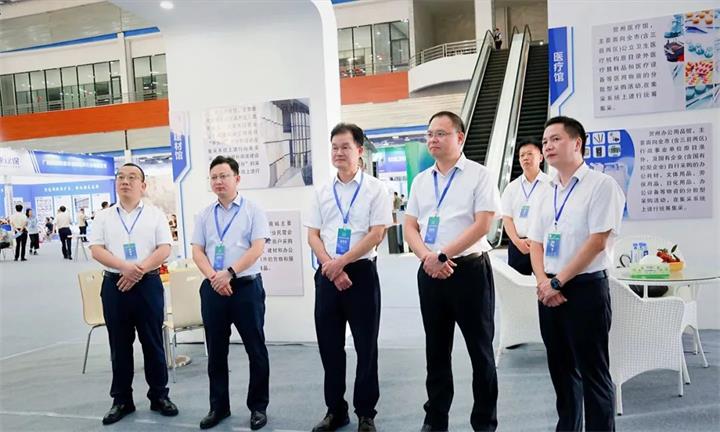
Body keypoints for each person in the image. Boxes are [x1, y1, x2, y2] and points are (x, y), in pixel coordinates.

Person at [404, 111, 502, 432]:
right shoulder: (421, 180)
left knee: (480, 352)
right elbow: (410, 225)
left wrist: (443, 255)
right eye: (430, 134)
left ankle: (484, 423)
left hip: (469, 271)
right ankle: (435, 419)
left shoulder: (479, 175)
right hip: (430, 273)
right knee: (436, 351)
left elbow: (483, 224)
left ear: (459, 138)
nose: (433, 139)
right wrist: (428, 258)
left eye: (441, 134)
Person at [528, 116, 625, 432]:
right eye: (545, 141)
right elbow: (536, 243)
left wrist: (558, 281)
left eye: (555, 139)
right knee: (561, 372)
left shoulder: (601, 185)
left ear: (577, 143)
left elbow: (597, 242)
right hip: (548, 291)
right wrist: (544, 282)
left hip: (585, 289)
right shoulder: (545, 190)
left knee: (593, 373)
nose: (548, 146)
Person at [306, 123, 392, 432]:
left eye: (345, 147)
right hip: (327, 273)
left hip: (361, 273)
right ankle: (335, 410)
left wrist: (342, 262)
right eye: (334, 147)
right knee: (329, 346)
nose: (339, 152)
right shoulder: (322, 191)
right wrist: (331, 265)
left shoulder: (376, 189)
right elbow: (313, 235)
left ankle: (366, 413)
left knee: (366, 346)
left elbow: (377, 233)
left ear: (359, 150)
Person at [88, 163, 178, 425]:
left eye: (131, 177)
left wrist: (138, 271)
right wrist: (125, 268)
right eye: (120, 177)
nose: (125, 181)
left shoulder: (155, 215)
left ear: (143, 185)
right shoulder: (103, 216)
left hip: (148, 284)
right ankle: (121, 400)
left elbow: (165, 248)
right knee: (119, 345)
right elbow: (96, 249)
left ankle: (159, 395)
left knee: (153, 342)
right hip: (115, 286)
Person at [192, 155, 270, 431]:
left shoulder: (253, 210)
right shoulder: (204, 215)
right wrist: (215, 277)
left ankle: (258, 407)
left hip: (246, 287)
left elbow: (257, 248)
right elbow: (197, 251)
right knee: (215, 351)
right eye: (214, 177)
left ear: (237, 178)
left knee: (255, 349)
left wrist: (230, 273)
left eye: (224, 176)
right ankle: (218, 407)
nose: (218, 181)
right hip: (214, 288)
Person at [500, 138, 550, 275]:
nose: (525, 158)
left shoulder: (551, 184)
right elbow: (507, 218)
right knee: (516, 285)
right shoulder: (511, 187)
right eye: (522, 155)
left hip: (544, 244)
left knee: (547, 283)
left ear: (541, 157)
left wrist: (539, 241)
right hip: (518, 245)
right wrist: (517, 241)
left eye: (530, 154)